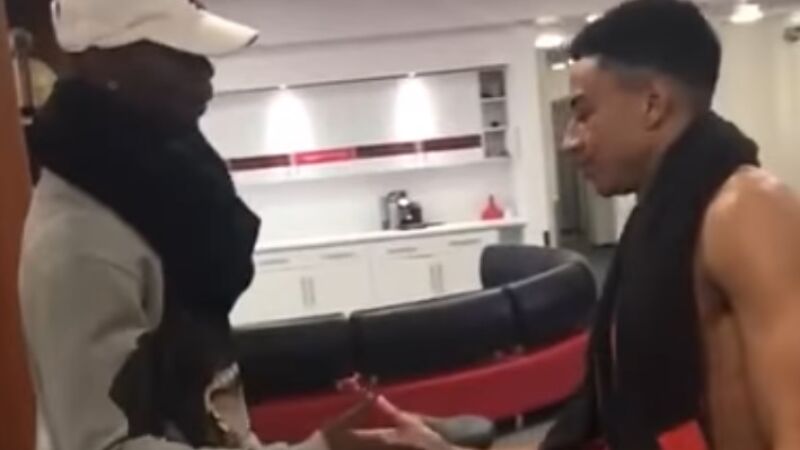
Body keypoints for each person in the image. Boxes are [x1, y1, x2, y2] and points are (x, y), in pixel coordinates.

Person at [18, 1, 435, 450]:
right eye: (180, 51)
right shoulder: (81, 243)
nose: (206, 71)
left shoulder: (156, 202)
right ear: (104, 61)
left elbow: (203, 413)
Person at [521, 1, 800, 449]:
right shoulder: (653, 222)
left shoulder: (747, 209)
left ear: (652, 104)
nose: (570, 140)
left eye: (584, 113)